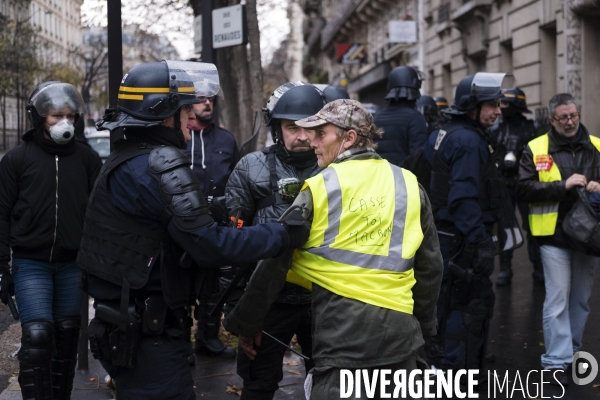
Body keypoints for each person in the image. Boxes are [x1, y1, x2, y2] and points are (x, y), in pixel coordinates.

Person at [76, 60, 307, 400]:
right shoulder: (160, 164)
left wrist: (213, 208)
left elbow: (158, 223)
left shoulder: (126, 157)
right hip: (148, 336)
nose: (191, 118)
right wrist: (281, 234)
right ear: (164, 113)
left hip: (128, 326)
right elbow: (210, 246)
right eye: (184, 109)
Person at [224, 99, 443, 399]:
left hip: (343, 339)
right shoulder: (407, 183)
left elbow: (276, 261)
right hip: (400, 338)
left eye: (321, 134)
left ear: (348, 138)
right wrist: (424, 328)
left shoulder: (319, 187)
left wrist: (246, 322)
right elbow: (430, 266)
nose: (312, 142)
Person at [0, 81, 102, 400]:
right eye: (56, 115)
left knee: (67, 334)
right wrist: (2, 267)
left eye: (70, 115)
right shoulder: (17, 160)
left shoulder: (87, 160)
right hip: (32, 264)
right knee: (37, 335)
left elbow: (100, 215)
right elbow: (1, 215)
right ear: (40, 117)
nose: (64, 122)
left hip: (73, 264)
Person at [225, 82, 326, 399]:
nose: (302, 136)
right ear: (276, 127)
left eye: (310, 127)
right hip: (269, 299)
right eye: (291, 127)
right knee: (258, 382)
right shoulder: (250, 167)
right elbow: (234, 241)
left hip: (324, 300)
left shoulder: (338, 168)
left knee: (328, 383)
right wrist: (242, 314)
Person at [422, 73, 514, 375]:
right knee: (466, 307)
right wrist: (479, 242)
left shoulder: (447, 132)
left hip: (448, 236)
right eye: (491, 104)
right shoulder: (467, 140)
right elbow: (462, 199)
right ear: (471, 105)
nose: (497, 110)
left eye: (498, 103)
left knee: (449, 303)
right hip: (461, 240)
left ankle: (448, 366)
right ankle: (457, 374)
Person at [517, 93, 600, 386]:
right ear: (552, 119)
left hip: (588, 235)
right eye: (563, 117)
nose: (569, 121)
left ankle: (574, 352)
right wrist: (562, 185)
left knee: (580, 299)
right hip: (553, 236)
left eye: (573, 116)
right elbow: (524, 190)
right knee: (557, 299)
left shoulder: (597, 146)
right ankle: (556, 359)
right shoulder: (536, 148)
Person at [183, 91, 240, 359]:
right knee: (180, 287)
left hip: (217, 226)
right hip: (182, 226)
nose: (208, 103)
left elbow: (238, 179)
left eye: (212, 99)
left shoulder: (226, 139)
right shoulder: (178, 138)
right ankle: (181, 344)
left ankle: (208, 338)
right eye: (201, 99)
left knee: (214, 287)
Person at [491, 88, 543, 286]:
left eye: (505, 104)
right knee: (505, 226)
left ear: (516, 105)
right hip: (504, 184)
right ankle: (505, 269)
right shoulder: (496, 128)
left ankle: (538, 268)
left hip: (526, 184)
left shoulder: (531, 128)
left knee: (533, 226)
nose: (501, 108)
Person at [373, 66, 428, 166]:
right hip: (403, 179)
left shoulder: (377, 117)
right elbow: (418, 158)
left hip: (379, 178)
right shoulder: (415, 118)